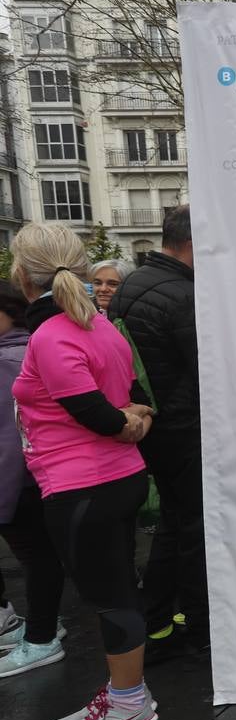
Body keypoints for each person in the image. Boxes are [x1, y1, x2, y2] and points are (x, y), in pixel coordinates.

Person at [9, 222, 157, 720]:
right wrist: (133, 421)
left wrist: (129, 422)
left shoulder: (52, 335)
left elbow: (104, 416)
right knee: (121, 593)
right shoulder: (100, 325)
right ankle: (127, 695)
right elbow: (134, 399)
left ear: (22, 275)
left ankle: (127, 703)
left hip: (83, 490)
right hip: (116, 480)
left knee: (112, 598)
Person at [108, 206, 208, 661]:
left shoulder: (130, 284)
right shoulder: (185, 295)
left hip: (152, 422)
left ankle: (160, 622)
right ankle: (197, 626)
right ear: (192, 243)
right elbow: (203, 366)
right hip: (184, 426)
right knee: (193, 527)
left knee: (172, 523)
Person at [0, 280, 69, 677]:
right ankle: (43, 628)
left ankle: (42, 636)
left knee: (37, 558)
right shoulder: (29, 348)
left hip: (18, 480)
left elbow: (12, 436)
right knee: (41, 557)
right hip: (33, 475)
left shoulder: (10, 359)